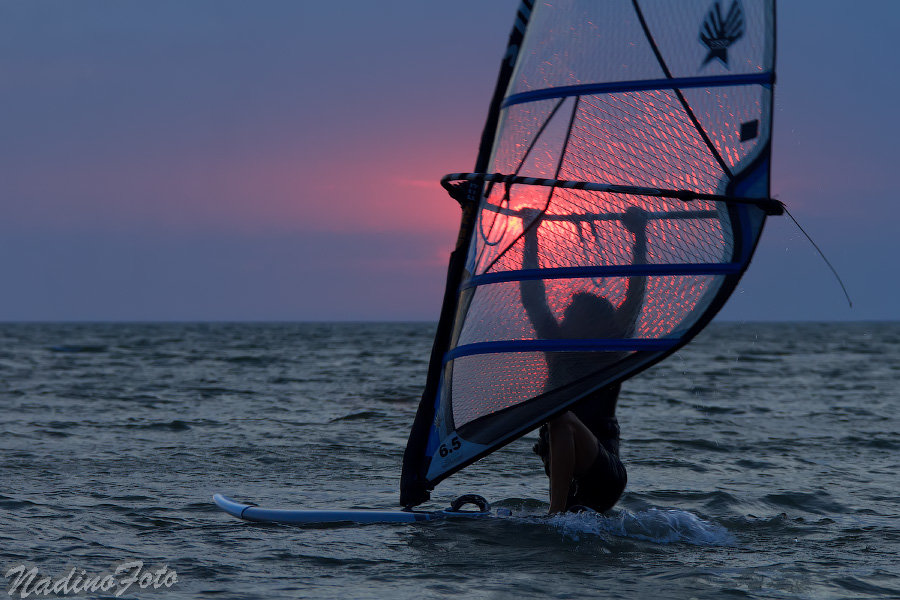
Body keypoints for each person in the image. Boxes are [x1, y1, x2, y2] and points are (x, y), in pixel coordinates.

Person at [520, 205, 648, 514]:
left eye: (573, 316)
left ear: (595, 326)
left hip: (604, 474)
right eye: (566, 314)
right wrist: (531, 234)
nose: (564, 319)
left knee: (560, 415)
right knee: (558, 418)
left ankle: (555, 516)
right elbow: (532, 295)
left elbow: (636, 293)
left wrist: (640, 235)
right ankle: (560, 514)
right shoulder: (557, 343)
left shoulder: (611, 346)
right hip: (567, 475)